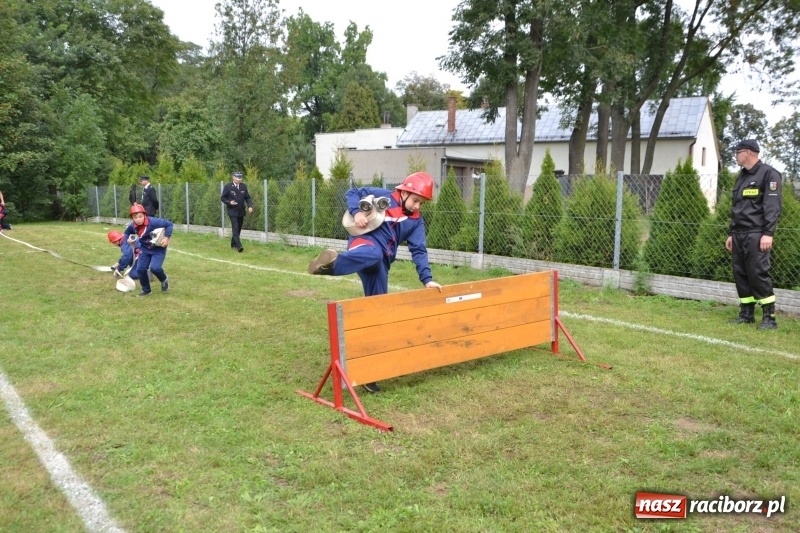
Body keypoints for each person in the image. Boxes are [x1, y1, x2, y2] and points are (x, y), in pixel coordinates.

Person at [307, 171, 443, 392]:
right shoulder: (384, 196)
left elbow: (419, 250)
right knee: (374, 254)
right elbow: (353, 192)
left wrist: (427, 279)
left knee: (377, 311)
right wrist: (356, 212)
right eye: (416, 200)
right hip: (364, 243)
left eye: (421, 203)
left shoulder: (416, 223)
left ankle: (369, 374)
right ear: (404, 191)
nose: (418, 206)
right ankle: (331, 265)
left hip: (381, 264)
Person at [725, 139, 782, 329]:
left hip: (757, 234)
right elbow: (737, 208)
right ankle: (746, 313)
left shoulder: (769, 174)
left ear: (748, 152)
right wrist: (731, 233)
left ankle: (769, 317)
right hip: (739, 234)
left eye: (738, 152)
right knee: (741, 273)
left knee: (758, 273)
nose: (736, 155)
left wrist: (768, 233)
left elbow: (772, 207)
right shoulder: (741, 177)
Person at [124, 203, 173, 297]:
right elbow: (126, 233)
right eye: (135, 217)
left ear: (144, 215)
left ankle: (164, 279)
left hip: (158, 248)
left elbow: (169, 224)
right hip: (144, 249)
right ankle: (146, 290)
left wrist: (166, 238)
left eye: (140, 216)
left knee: (155, 268)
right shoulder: (132, 226)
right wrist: (128, 239)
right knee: (140, 269)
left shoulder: (153, 222)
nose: (138, 219)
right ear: (132, 218)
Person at [220, 171, 253, 252]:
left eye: (240, 178)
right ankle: (239, 246)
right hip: (232, 211)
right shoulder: (228, 186)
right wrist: (229, 202)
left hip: (241, 211)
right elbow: (223, 198)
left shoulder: (243, 186)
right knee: (235, 228)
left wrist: (250, 206)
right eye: (238, 178)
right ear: (233, 178)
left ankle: (233, 244)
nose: (239, 179)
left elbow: (247, 197)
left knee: (238, 229)